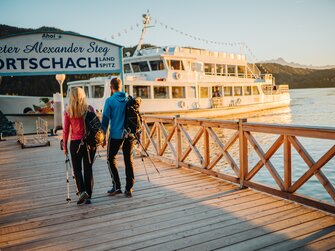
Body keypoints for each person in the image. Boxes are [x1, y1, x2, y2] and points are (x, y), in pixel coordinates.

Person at [102, 77, 135, 198]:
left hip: (116, 134)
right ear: (121, 86)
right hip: (129, 134)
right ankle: (129, 188)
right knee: (128, 159)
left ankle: (117, 186)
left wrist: (103, 137)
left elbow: (105, 120)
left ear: (111, 87)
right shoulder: (128, 98)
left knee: (111, 159)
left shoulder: (110, 101)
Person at [62, 87, 96, 205]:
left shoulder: (68, 111)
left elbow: (66, 131)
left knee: (77, 169)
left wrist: (65, 146)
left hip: (75, 143)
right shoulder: (89, 108)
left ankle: (81, 191)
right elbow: (95, 125)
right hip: (89, 143)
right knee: (88, 168)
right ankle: (89, 196)